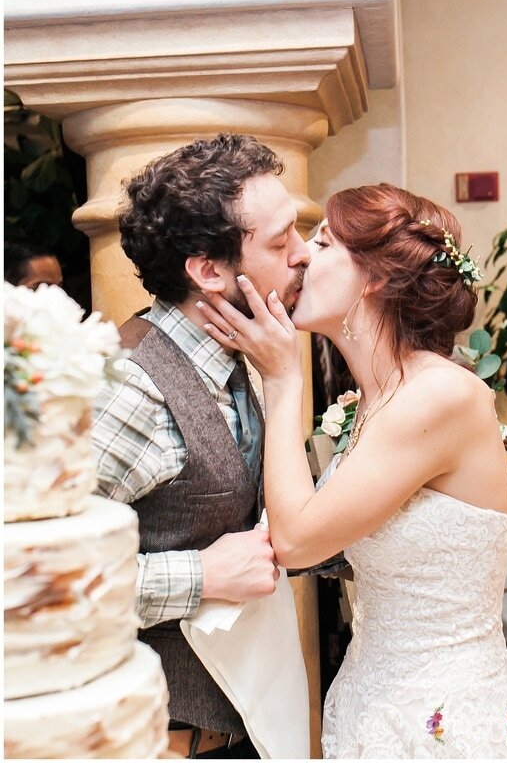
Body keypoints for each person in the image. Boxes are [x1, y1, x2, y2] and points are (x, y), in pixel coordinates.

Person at [198, 183, 507, 759]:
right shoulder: (368, 407)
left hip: (444, 723)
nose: (302, 255)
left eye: (324, 242)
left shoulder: (440, 395)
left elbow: (300, 540)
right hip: (368, 702)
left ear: (378, 277)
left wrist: (283, 381)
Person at [91, 134, 310, 758]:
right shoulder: (130, 389)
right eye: (279, 242)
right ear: (209, 270)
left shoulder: (244, 355)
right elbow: (28, 579)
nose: (303, 257)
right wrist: (202, 574)